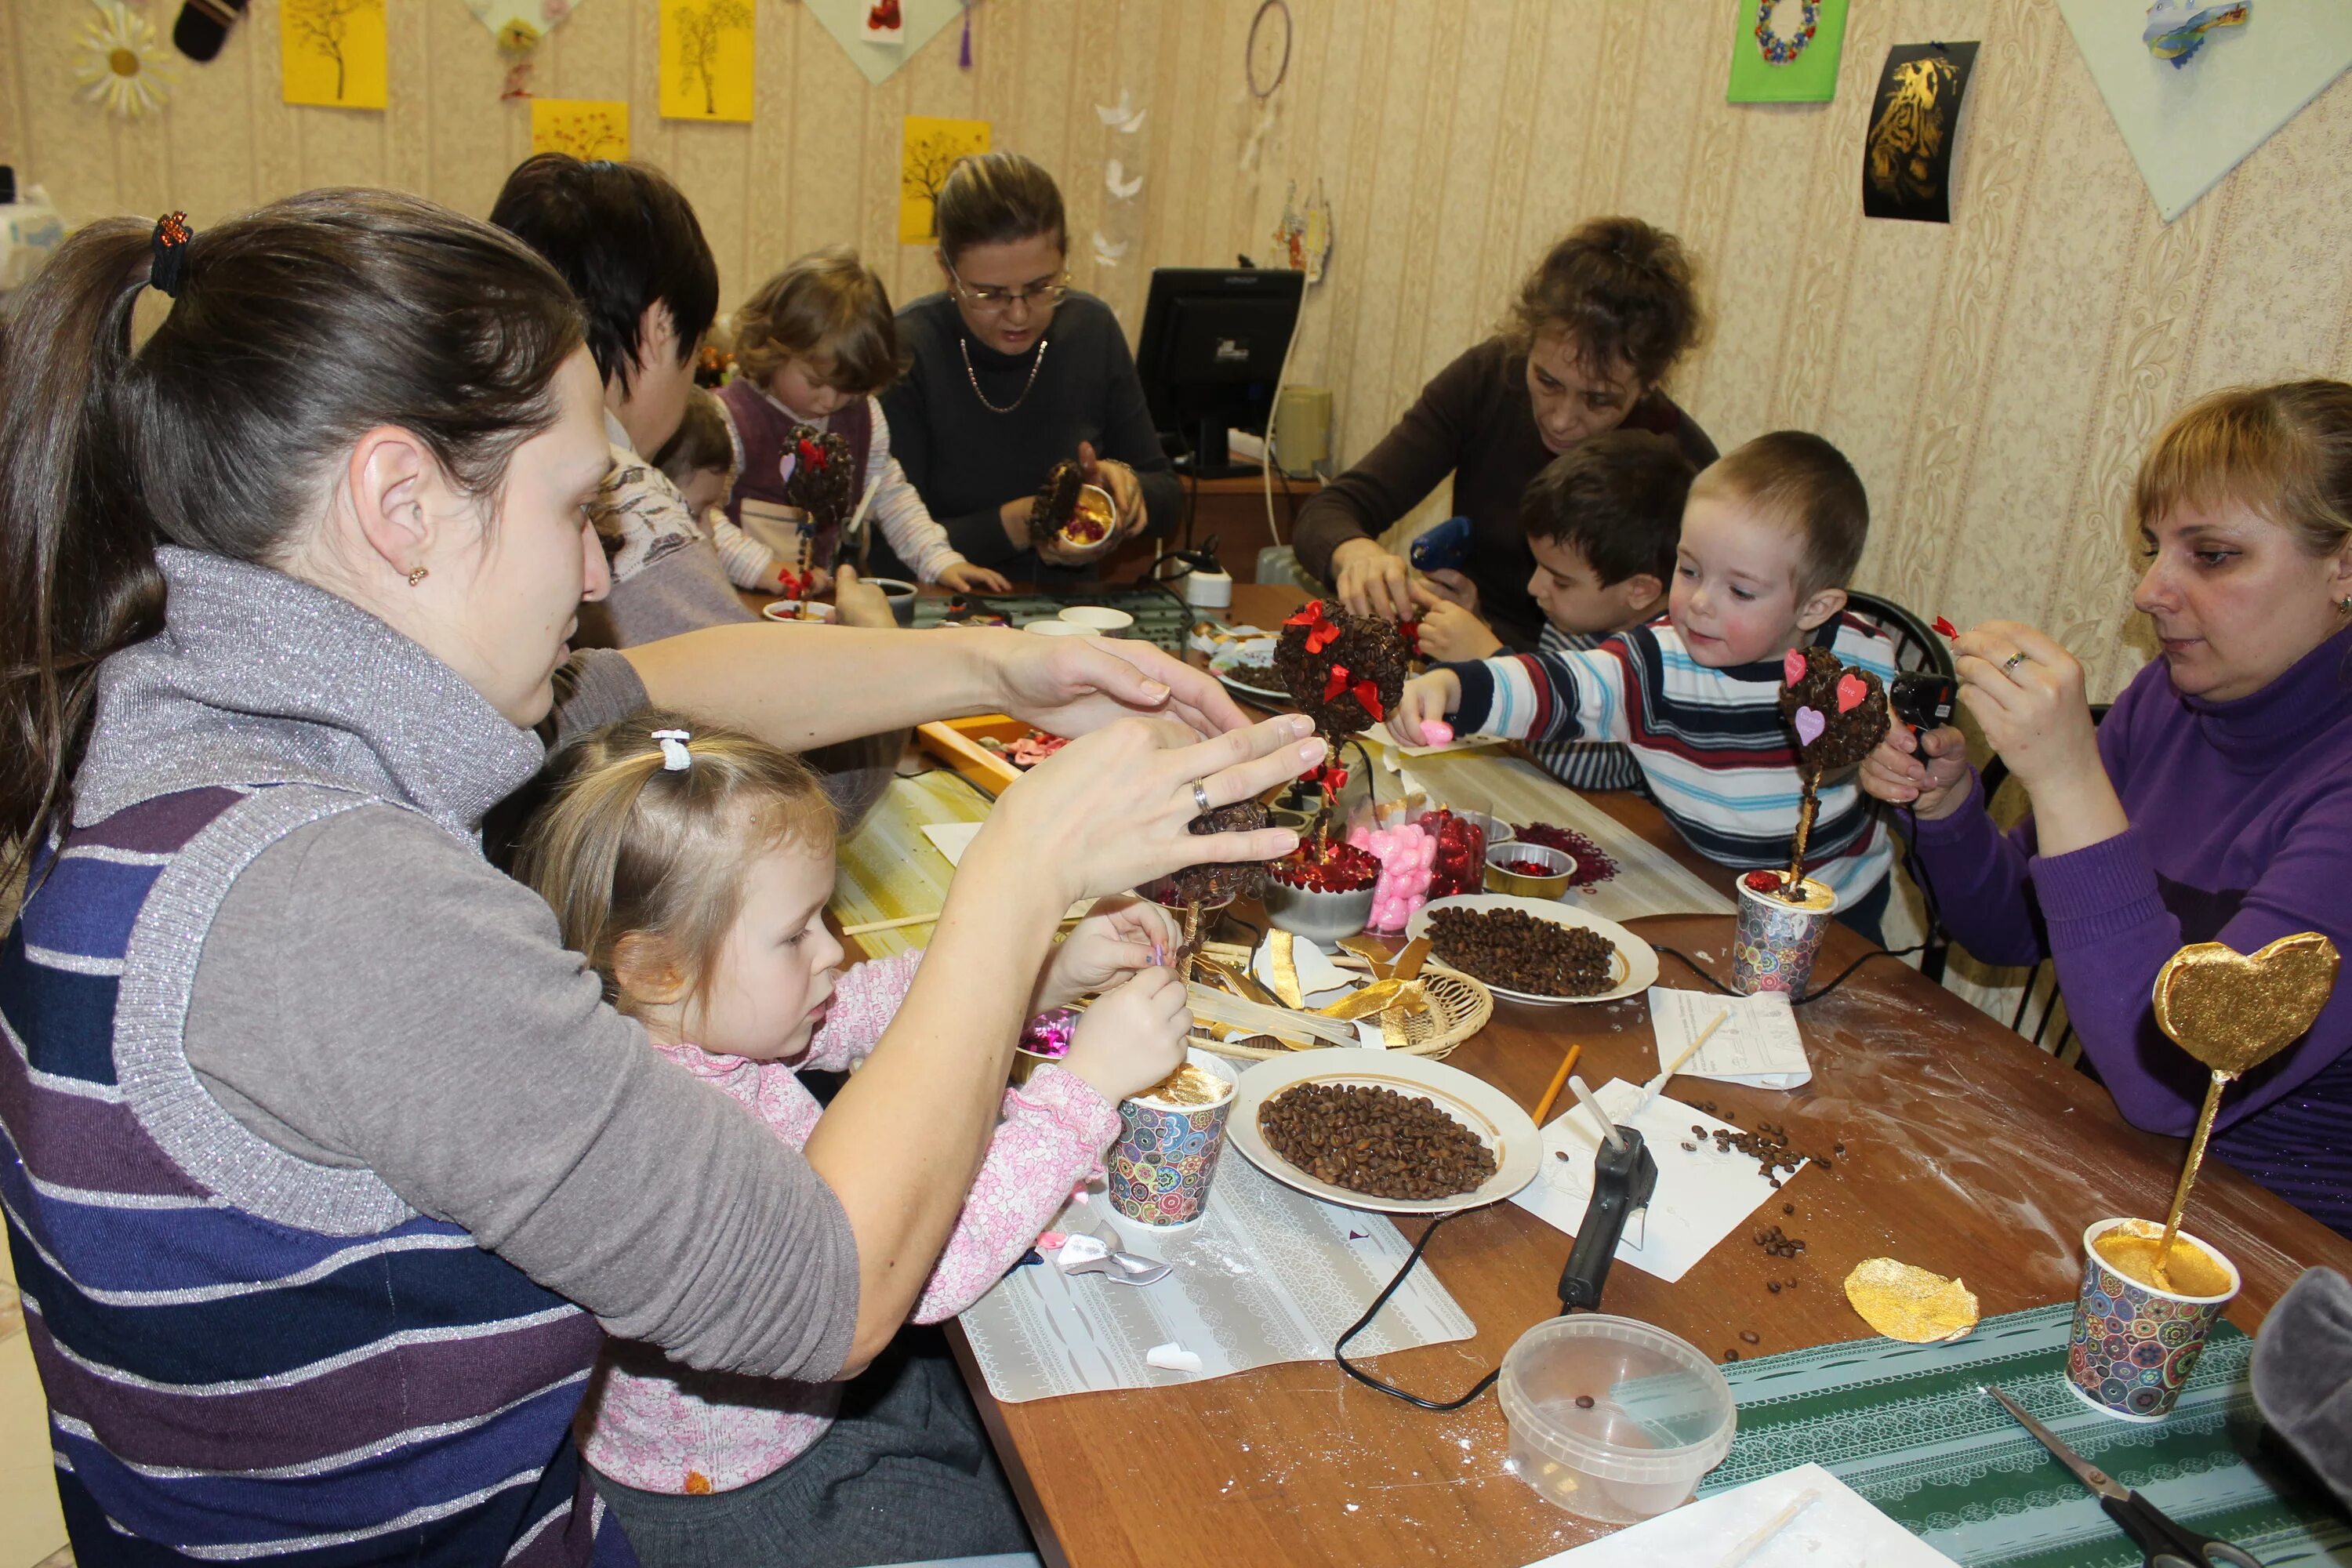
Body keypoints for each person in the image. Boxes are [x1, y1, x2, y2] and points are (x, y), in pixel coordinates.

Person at [0, 193, 1319, 1564]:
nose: (594, 576)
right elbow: (831, 1282)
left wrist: (1000, 669)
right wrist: (1022, 870)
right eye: (578, 512)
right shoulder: (333, 898)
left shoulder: (181, 713)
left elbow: (650, 689)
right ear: (398, 503)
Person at [514, 716, 1186, 1563]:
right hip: (733, 1497)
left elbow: (873, 1009)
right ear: (655, 965)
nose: (832, 949)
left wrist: (1037, 969)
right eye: (795, 933)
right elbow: (926, 1266)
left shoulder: (691, 1019)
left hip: (802, 1408)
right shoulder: (671, 1139)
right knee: (1064, 1523)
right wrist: (1084, 1088)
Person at [1863, 381, 2352, 1238]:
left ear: (2344, 566)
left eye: (2212, 556)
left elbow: (2176, 1085)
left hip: (2272, 1253)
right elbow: (2017, 928)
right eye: (2154, 548)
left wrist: (2065, 777)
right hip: (2107, 1168)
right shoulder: (2172, 697)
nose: (2150, 591)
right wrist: (1947, 809)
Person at [1391, 431, 1900, 938]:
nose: (1699, 602)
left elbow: (1903, 759)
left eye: (1739, 590)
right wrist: (1455, 688)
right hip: (1705, 883)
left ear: (1816, 608)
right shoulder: (1657, 659)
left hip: (1838, 904)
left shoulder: (1864, 664)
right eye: (1690, 569)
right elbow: (1564, 687)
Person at [1294, 216, 1716, 651]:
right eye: (1547, 382)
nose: (1561, 420)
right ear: (1527, 341)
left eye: (1598, 400)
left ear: (1649, 384)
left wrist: (1492, 647)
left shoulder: (1683, 469)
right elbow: (1329, 511)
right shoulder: (1489, 380)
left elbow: (1683, 665)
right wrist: (1358, 555)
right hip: (1474, 663)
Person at [491, 153, 756, 646]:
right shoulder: (629, 498)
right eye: (695, 353)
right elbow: (753, 704)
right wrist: (870, 624)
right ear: (659, 328)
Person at [878, 151, 1178, 583]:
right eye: (990, 294)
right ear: (947, 272)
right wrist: (1022, 525)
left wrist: (1123, 490)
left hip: (1069, 620)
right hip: (943, 620)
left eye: (1041, 287)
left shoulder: (1090, 330)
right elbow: (887, 553)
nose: (1019, 315)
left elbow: (1167, 496)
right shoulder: (908, 350)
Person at [717, 245, 1012, 597]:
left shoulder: (865, 417)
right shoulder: (730, 418)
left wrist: (939, 560)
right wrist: (761, 568)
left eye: (849, 390)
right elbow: (698, 520)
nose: (829, 402)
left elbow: (889, 495)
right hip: (738, 612)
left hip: (821, 611)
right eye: (815, 382)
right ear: (772, 346)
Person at [1412, 429, 1696, 791]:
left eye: (1560, 581)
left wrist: (1490, 657)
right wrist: (1477, 625)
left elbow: (1588, 771)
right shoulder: (1579, 618)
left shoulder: (1663, 663)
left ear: (1639, 591)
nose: (1534, 587)